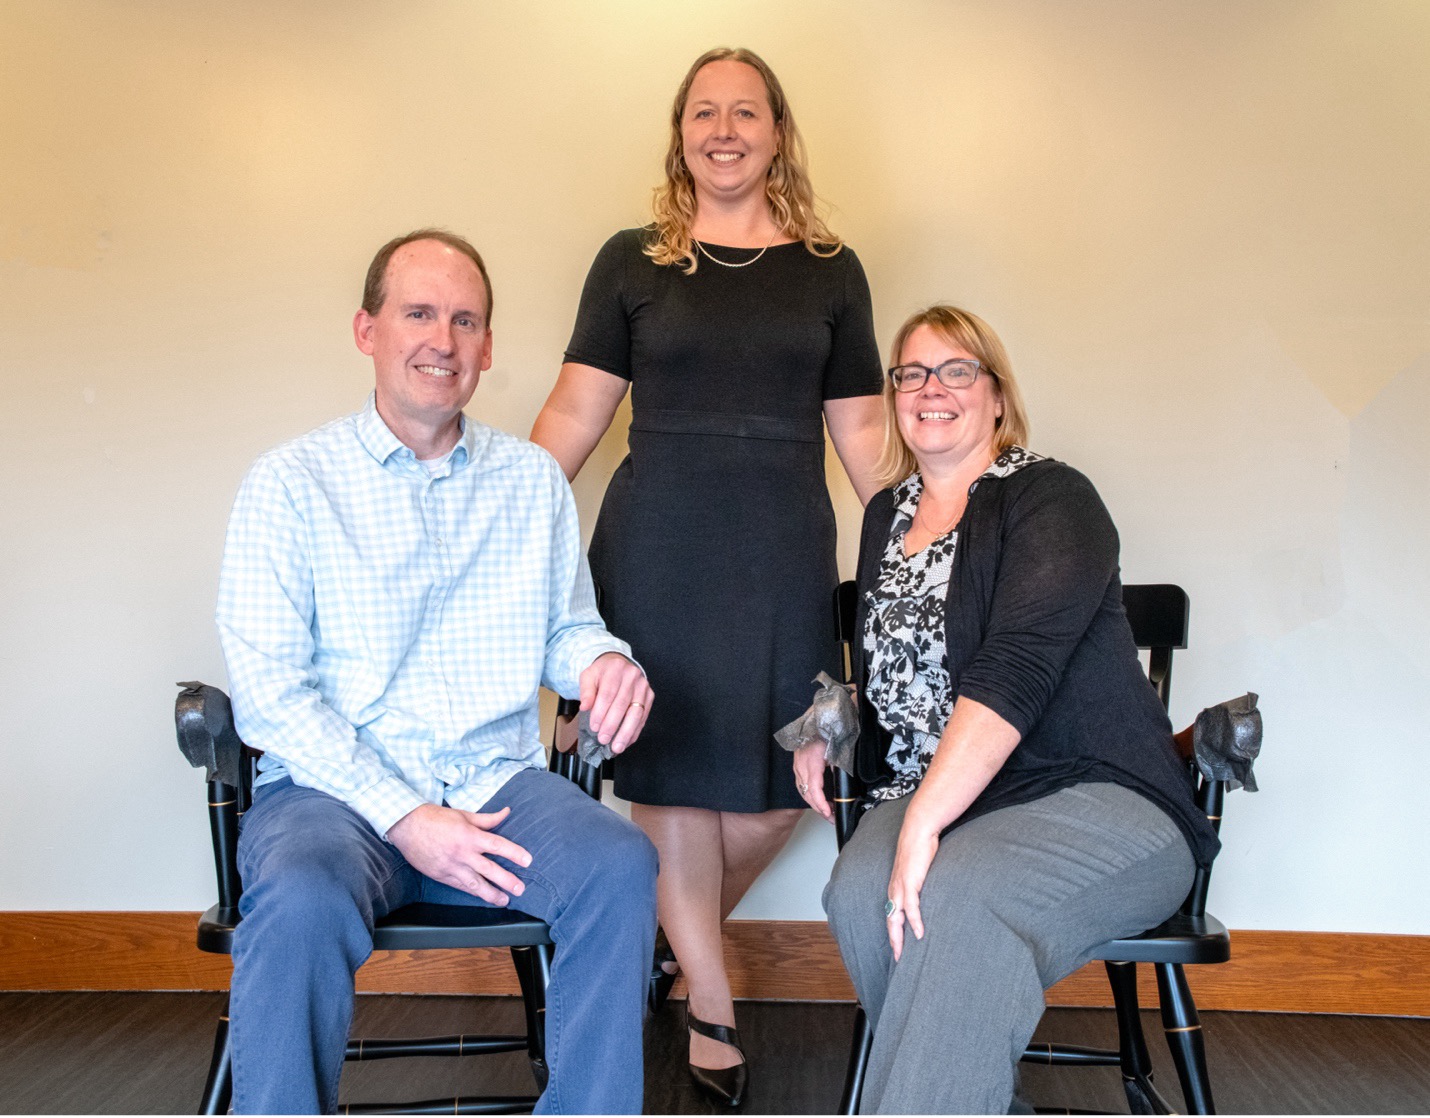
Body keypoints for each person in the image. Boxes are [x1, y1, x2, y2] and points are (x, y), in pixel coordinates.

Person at [215, 229, 658, 1115]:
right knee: (297, 901)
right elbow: (270, 693)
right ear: (366, 330)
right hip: (333, 798)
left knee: (619, 868)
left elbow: (566, 627)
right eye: (418, 312)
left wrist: (606, 659)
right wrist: (408, 817)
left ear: (488, 348)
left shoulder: (532, 482)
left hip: (494, 784)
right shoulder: (290, 484)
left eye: (465, 321)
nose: (442, 340)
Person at [530, 46, 885, 1106]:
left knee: (787, 783)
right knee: (674, 780)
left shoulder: (830, 269)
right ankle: (712, 1004)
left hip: (780, 545)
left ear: (778, 131)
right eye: (702, 113)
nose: (722, 130)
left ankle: (655, 940)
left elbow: (863, 428)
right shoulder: (631, 261)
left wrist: (927, 530)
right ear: (678, 133)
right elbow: (572, 412)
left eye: (745, 112)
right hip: (658, 543)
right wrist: (487, 512)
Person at [798, 305, 1221, 1114]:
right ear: (894, 396)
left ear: (996, 396)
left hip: (1095, 792)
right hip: (946, 792)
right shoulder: (887, 514)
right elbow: (904, 669)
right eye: (912, 373)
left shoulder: (1053, 497)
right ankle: (968, 1091)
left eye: (957, 370)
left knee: (952, 893)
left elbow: (1013, 670)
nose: (932, 388)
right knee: (859, 891)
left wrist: (922, 827)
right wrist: (825, 723)